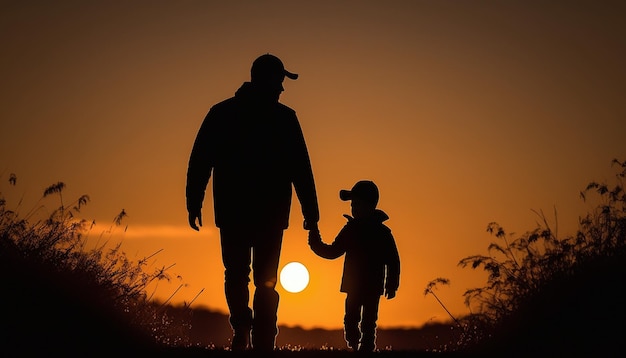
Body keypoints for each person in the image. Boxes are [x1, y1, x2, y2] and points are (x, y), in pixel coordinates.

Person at [186, 53, 319, 351]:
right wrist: (311, 212)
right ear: (268, 80)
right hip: (263, 213)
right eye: (280, 81)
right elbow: (301, 167)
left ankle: (250, 332)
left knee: (242, 275)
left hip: (239, 212)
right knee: (260, 278)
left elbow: (200, 162)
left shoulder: (223, 113)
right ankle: (256, 336)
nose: (283, 89)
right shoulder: (282, 119)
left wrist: (194, 201)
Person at [308, 180, 400, 352]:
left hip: (373, 286)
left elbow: (393, 261)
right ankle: (353, 341)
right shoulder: (350, 230)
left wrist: (391, 285)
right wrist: (315, 242)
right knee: (350, 319)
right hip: (354, 286)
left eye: (357, 204)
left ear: (370, 205)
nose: (353, 208)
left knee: (369, 322)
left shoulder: (383, 234)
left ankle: (366, 348)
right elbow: (333, 251)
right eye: (352, 204)